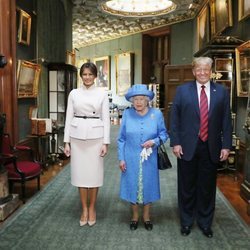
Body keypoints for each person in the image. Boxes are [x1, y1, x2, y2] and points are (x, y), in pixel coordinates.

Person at [170, 57, 232, 238]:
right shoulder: (182, 91)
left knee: (207, 187)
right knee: (186, 187)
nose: (202, 72)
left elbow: (226, 121)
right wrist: (176, 142)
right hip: (187, 146)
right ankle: (187, 222)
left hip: (211, 147)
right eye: (199, 69)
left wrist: (226, 146)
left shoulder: (221, 91)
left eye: (206, 69)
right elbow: (175, 119)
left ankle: (205, 223)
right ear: (193, 71)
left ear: (211, 71)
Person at [64, 62, 110, 227]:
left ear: (95, 76)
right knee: (80, 175)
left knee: (94, 175)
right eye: (84, 74)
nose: (87, 77)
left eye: (90, 74)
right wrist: (66, 141)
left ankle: (92, 208)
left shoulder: (102, 94)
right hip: (77, 137)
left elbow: (106, 119)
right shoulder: (74, 93)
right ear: (81, 76)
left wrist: (106, 142)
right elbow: (68, 117)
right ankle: (84, 208)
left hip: (96, 137)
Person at [117, 84, 168, 231]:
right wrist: (121, 158)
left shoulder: (156, 114)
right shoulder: (127, 114)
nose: (138, 102)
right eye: (135, 99)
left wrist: (154, 142)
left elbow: (164, 135)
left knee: (149, 185)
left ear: (147, 100)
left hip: (149, 158)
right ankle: (134, 216)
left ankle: (146, 217)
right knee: (132, 184)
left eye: (141, 99)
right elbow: (121, 139)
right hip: (130, 156)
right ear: (132, 101)